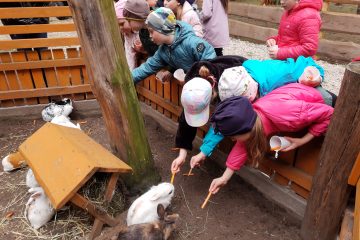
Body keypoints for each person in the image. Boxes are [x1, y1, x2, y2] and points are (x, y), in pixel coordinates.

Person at [190, 85, 333, 194]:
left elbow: (329, 113)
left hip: (320, 99)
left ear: (246, 130)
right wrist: (224, 178)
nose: (233, 140)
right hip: (297, 100)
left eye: (233, 136)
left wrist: (302, 140)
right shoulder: (253, 120)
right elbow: (242, 147)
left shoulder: (290, 116)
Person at [131, 7, 216, 84]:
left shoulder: (190, 42)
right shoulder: (163, 51)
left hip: (206, 84)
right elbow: (147, 67)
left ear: (162, 28)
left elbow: (209, 53)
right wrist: (127, 79)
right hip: (191, 86)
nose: (150, 36)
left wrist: (201, 75)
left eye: (151, 31)